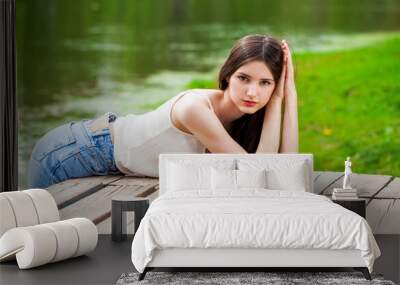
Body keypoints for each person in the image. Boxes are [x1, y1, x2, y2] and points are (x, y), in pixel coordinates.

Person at [28, 34, 299, 188]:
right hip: (74, 153)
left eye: (266, 83)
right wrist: (275, 101)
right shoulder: (195, 109)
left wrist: (288, 96)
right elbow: (254, 174)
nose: (253, 92)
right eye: (244, 78)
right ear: (228, 75)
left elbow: (288, 167)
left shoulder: (248, 117)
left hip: (110, 163)